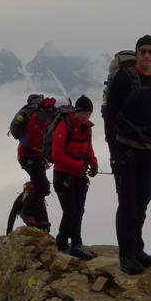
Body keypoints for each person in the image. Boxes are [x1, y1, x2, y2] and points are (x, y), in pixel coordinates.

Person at [103, 34, 151, 274]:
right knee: (128, 203)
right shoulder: (124, 78)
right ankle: (126, 255)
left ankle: (136, 249)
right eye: (142, 51)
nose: (146, 55)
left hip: (148, 151)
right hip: (126, 150)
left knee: (143, 200)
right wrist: (114, 153)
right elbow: (111, 116)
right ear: (137, 53)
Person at [51, 95, 98, 260]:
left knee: (78, 211)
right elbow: (56, 155)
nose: (86, 117)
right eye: (84, 113)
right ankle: (64, 243)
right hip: (63, 176)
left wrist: (94, 163)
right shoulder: (64, 126)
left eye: (89, 114)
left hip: (79, 176)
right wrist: (78, 165)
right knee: (70, 211)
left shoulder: (86, 128)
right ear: (76, 111)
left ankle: (75, 243)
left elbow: (88, 148)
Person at [15, 96, 56, 232]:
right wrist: (48, 151)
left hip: (32, 156)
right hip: (30, 155)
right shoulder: (41, 116)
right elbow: (34, 139)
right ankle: (27, 212)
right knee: (43, 187)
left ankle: (40, 221)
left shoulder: (44, 114)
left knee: (41, 186)